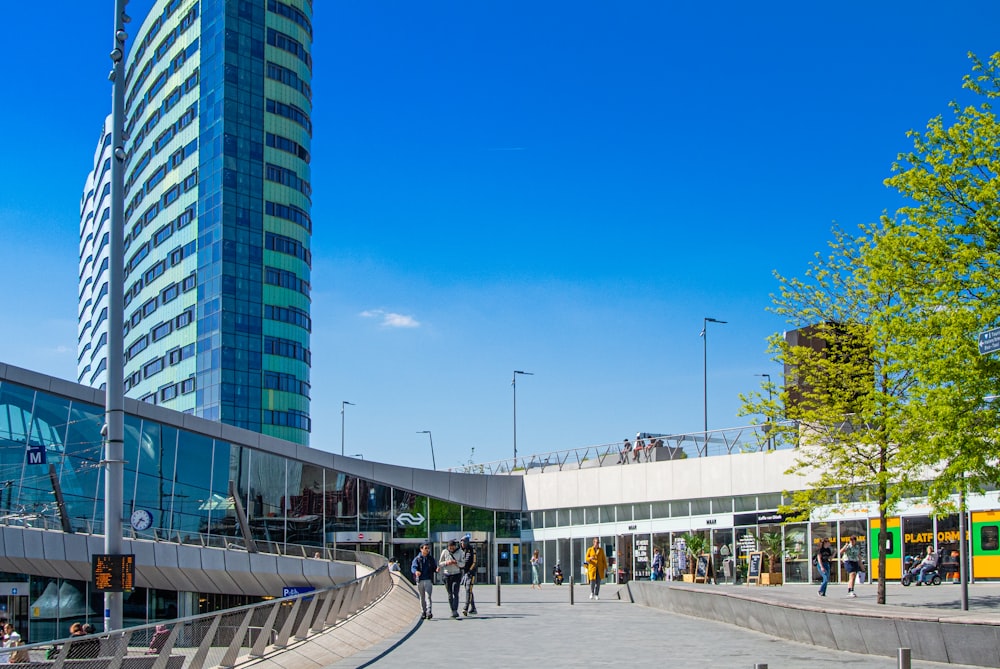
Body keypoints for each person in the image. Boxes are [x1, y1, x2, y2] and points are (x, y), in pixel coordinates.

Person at [410, 543, 438, 620]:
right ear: (421, 549)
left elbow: (434, 567)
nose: (427, 550)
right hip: (420, 580)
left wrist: (436, 569)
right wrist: (416, 572)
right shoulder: (417, 559)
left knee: (428, 596)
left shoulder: (430, 559)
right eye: (425, 548)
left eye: (428, 548)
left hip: (428, 580)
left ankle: (429, 611)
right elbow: (413, 567)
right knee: (422, 597)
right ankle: (423, 612)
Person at [439, 539, 463, 619]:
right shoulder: (444, 552)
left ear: (455, 546)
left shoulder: (460, 552)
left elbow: (463, 564)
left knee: (455, 592)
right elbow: (440, 563)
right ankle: (452, 610)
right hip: (447, 575)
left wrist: (456, 563)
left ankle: (455, 610)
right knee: (450, 594)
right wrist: (447, 562)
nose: (451, 548)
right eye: (450, 547)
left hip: (456, 574)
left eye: (452, 547)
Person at [458, 534, 478, 615]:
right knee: (469, 590)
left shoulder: (472, 550)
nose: (462, 544)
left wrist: (470, 571)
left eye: (463, 542)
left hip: (471, 573)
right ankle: (473, 608)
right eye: (461, 542)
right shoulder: (461, 550)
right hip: (465, 573)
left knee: (468, 589)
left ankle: (466, 607)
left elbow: (474, 561)